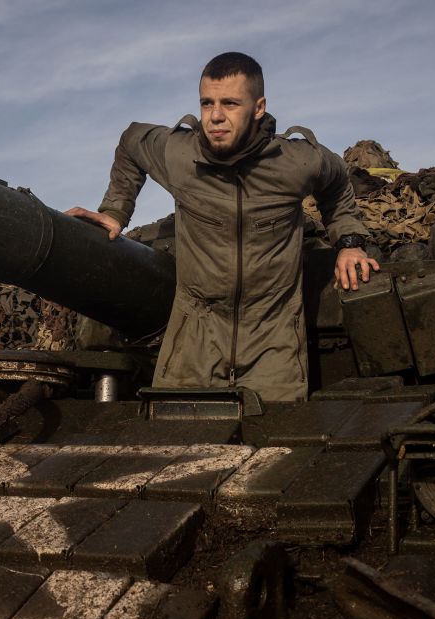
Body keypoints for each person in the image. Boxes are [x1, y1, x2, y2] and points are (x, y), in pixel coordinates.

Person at [67, 52, 378, 402]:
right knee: (178, 446)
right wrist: (115, 211)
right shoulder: (179, 154)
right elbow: (131, 141)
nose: (215, 116)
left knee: (275, 446)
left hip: (273, 341)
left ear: (258, 107)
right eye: (207, 103)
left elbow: (336, 184)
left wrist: (349, 241)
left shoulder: (296, 162)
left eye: (230, 103)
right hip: (193, 340)